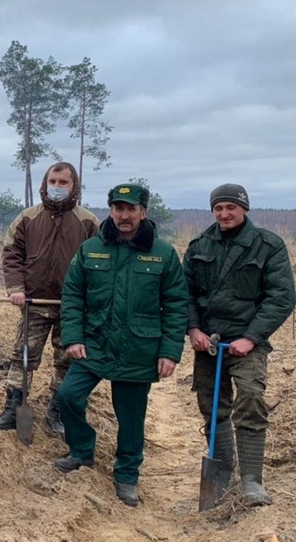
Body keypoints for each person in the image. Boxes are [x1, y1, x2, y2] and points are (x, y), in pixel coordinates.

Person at [55, 183, 187, 507]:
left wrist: (169, 351)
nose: (124, 215)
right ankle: (81, 451)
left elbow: (176, 305)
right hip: (95, 344)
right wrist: (73, 337)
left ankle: (127, 475)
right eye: (118, 208)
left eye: (130, 209)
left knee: (131, 418)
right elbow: (72, 296)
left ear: (143, 212)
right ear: (110, 211)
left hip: (137, 348)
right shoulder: (91, 250)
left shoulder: (163, 253)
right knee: (68, 396)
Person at [184, 183, 295, 506]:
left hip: (248, 342)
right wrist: (193, 329)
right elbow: (185, 293)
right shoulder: (199, 245)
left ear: (244, 209)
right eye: (218, 208)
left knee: (250, 399)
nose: (224, 213)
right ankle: (221, 476)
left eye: (231, 207)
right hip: (209, 344)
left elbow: (281, 297)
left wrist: (251, 338)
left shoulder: (268, 246)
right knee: (212, 407)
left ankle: (251, 481)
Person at [0, 162, 98, 436]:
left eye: (64, 182)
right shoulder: (27, 218)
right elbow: (11, 253)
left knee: (66, 359)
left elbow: (98, 264)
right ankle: (14, 408)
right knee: (23, 356)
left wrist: (89, 297)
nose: (58, 187)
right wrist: (16, 287)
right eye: (54, 181)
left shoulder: (88, 223)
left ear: (74, 186)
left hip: (71, 307)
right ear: (45, 183)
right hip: (33, 304)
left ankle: (57, 411)